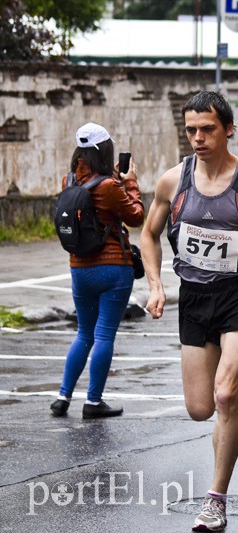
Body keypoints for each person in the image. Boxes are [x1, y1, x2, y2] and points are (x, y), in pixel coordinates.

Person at [140, 91, 238, 532]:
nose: (198, 137)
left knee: (227, 395)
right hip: (194, 297)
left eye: (207, 129)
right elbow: (149, 235)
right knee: (199, 407)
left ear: (228, 129)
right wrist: (156, 285)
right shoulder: (174, 182)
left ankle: (215, 500)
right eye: (191, 129)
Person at [50, 123, 144, 419]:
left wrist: (115, 178)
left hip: (79, 269)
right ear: (105, 151)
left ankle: (63, 397)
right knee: (104, 336)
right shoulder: (110, 186)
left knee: (83, 334)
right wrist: (131, 183)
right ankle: (93, 402)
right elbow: (136, 215)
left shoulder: (69, 181)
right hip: (113, 269)